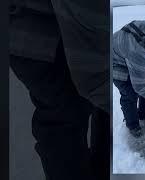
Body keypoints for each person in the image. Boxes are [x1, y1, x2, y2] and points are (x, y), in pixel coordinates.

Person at [9, 0, 109, 179]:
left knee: (63, 120)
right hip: (49, 32)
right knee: (65, 117)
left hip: (27, 23)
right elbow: (94, 75)